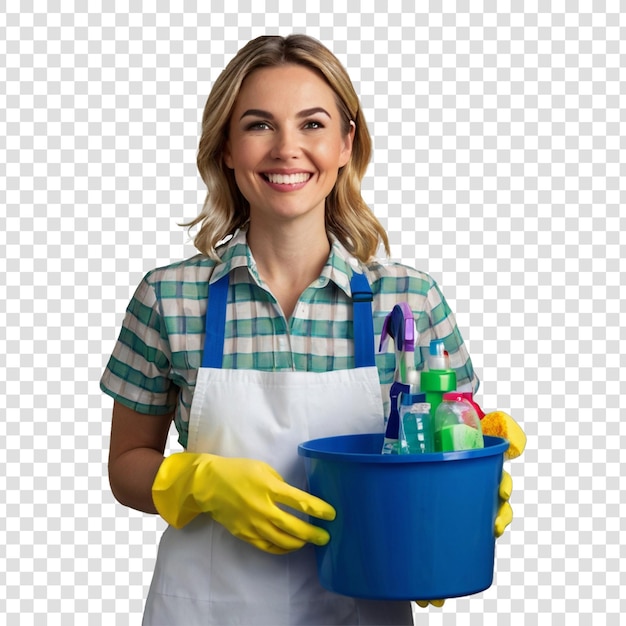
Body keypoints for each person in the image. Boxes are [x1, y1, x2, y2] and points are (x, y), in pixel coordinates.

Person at [101, 34, 514, 625]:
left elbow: (452, 440)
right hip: (206, 610)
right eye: (259, 125)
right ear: (226, 146)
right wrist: (196, 480)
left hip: (365, 605)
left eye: (313, 124)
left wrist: (457, 509)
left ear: (346, 143)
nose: (287, 149)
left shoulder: (410, 300)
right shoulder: (169, 296)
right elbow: (127, 465)